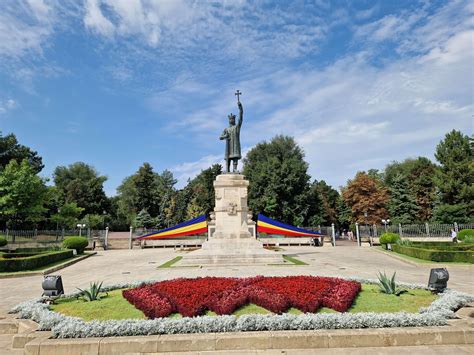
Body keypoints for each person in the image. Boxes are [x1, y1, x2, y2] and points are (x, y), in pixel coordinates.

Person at [220, 100, 243, 173]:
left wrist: (240, 109)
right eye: (230, 119)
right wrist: (225, 136)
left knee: (235, 157)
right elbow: (220, 137)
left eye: (232, 119)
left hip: (235, 145)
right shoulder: (226, 129)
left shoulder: (237, 127)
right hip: (229, 146)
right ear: (229, 120)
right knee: (228, 158)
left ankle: (235, 169)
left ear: (234, 119)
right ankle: (227, 169)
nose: (231, 120)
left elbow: (241, 119)